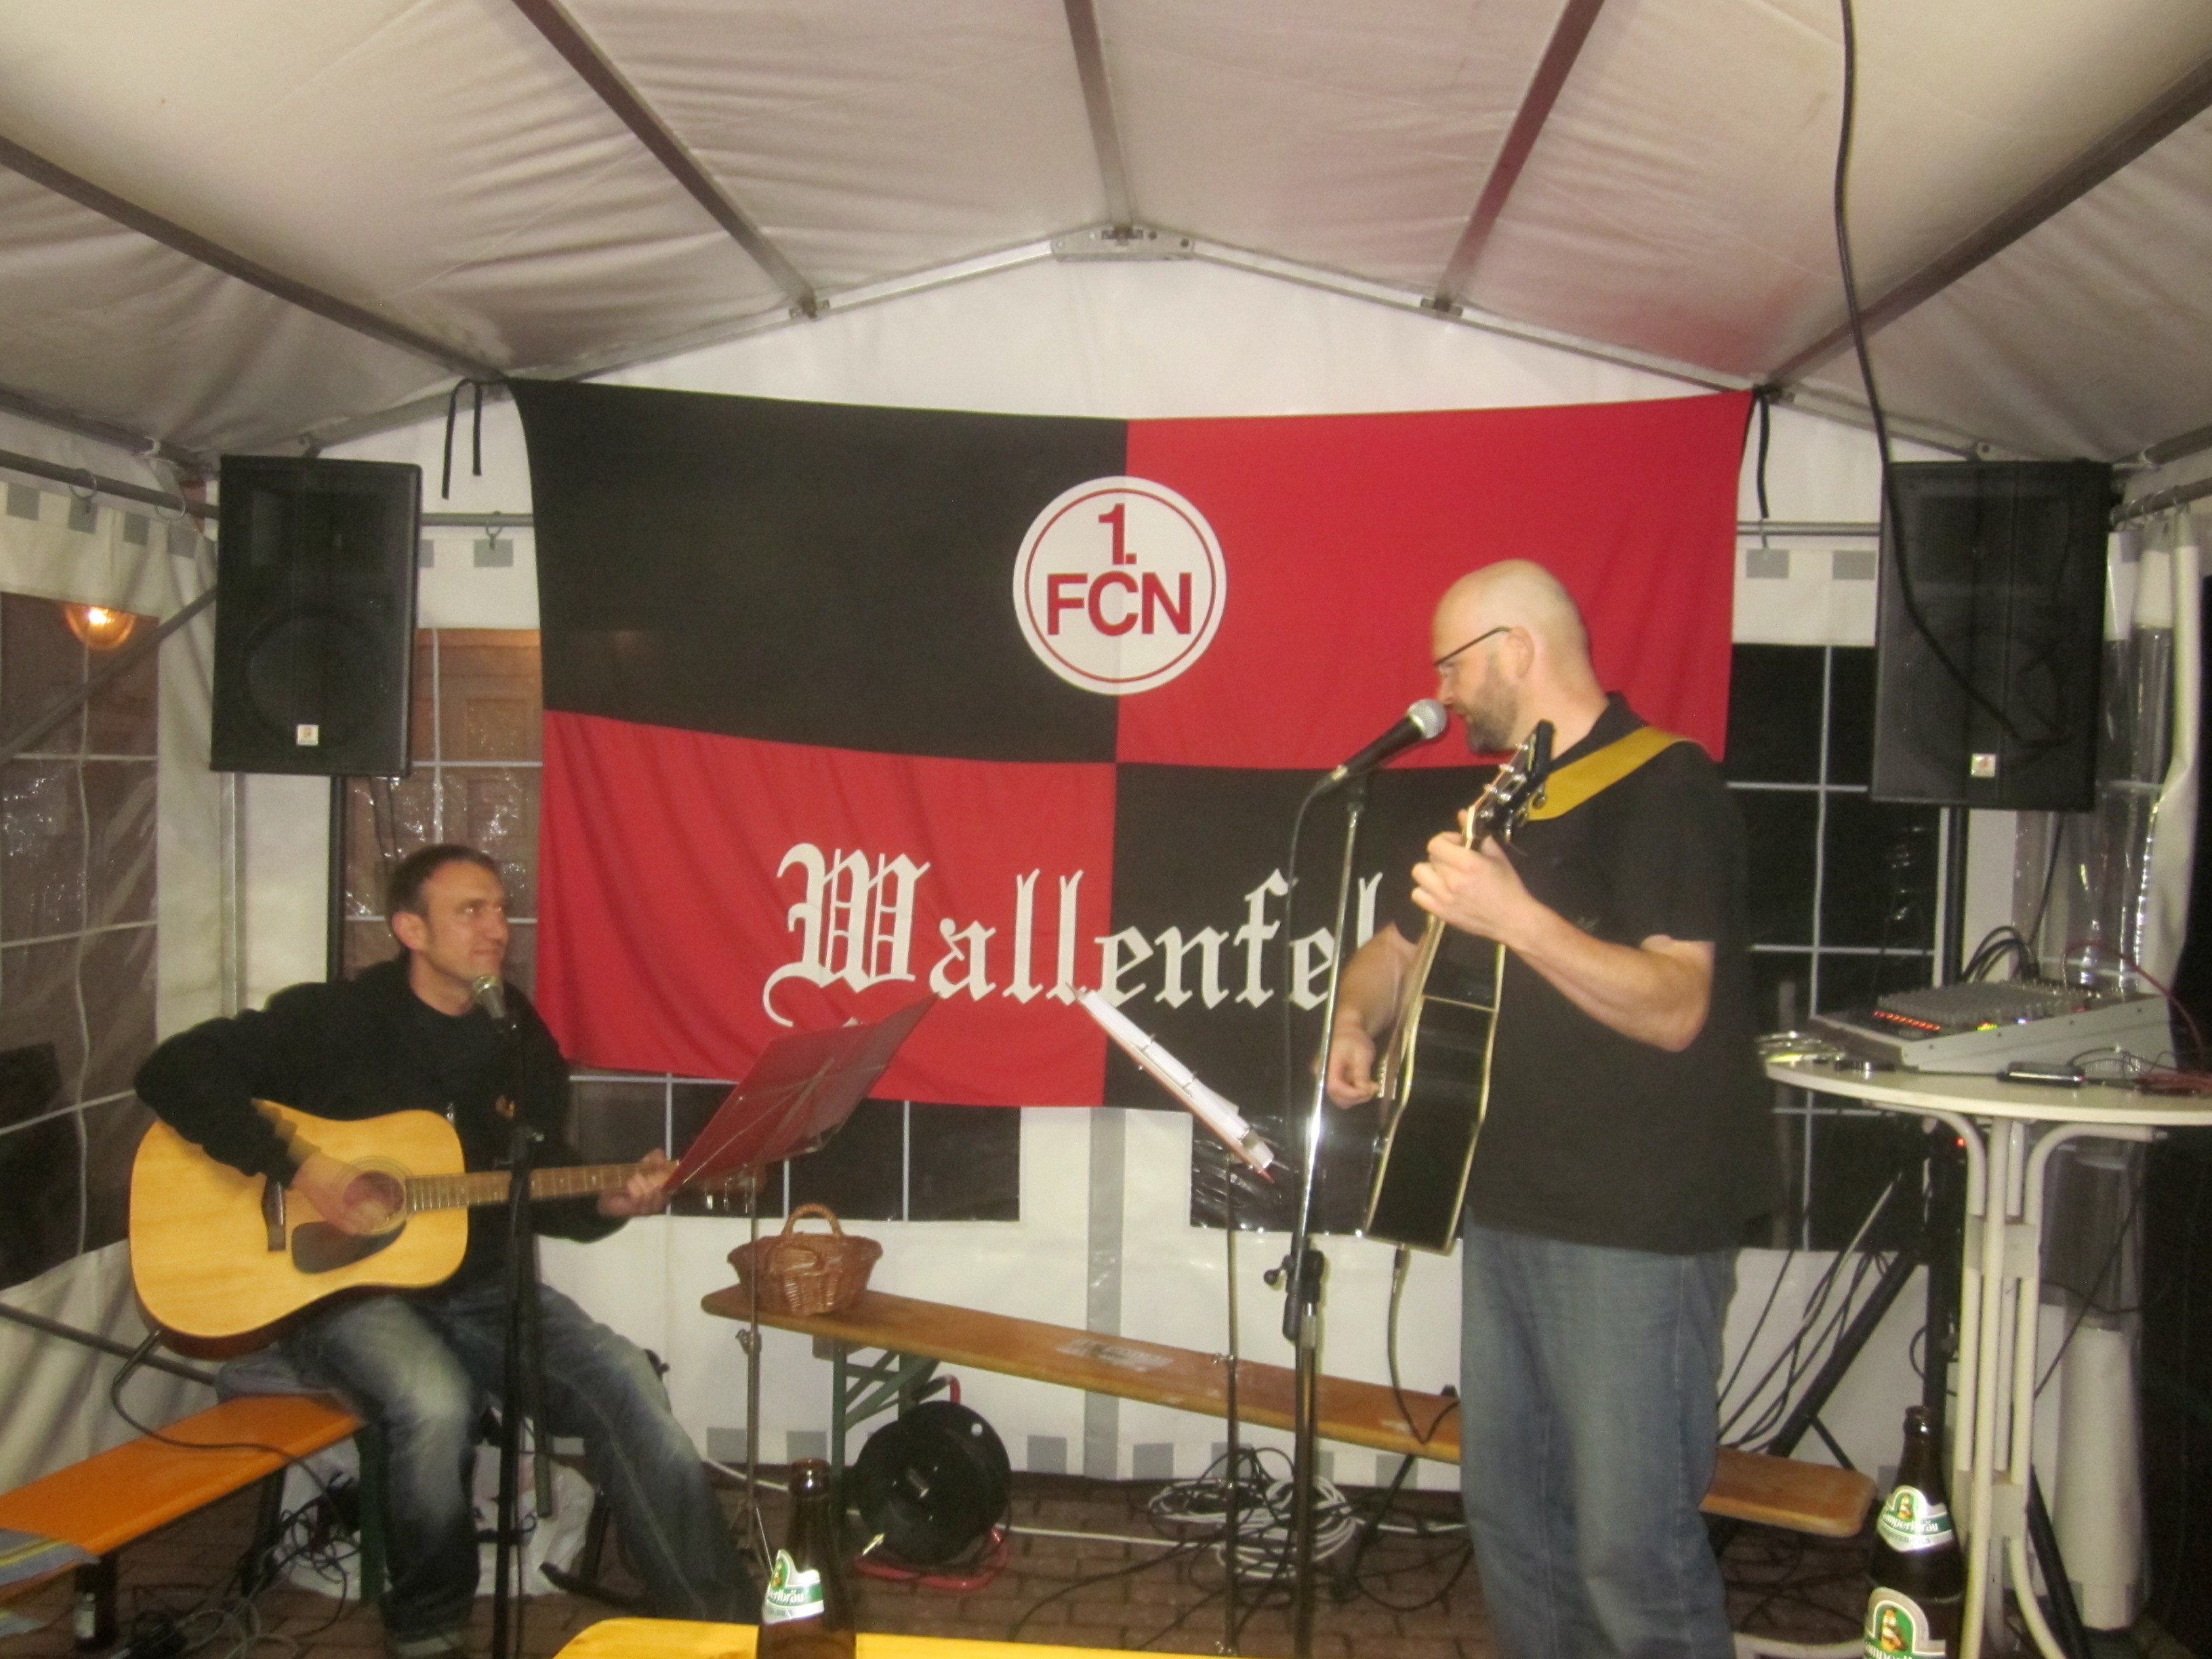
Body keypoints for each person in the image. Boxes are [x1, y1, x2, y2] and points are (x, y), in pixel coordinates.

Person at [136, 844, 750, 1657]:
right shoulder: (337, 1020)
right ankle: (427, 1629)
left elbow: (534, 1181)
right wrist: (308, 1169)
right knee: (433, 1401)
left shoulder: (517, 1038)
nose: (497, 927)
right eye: (470, 911)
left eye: (498, 908)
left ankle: (719, 1621)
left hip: (484, 1288)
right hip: (345, 1295)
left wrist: (608, 1201)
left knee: (625, 1379)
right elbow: (171, 1070)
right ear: (411, 930)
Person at [1325, 561, 1774, 1658]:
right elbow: (1392, 953)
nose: (1441, 691)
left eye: (1452, 664)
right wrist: (1353, 1022)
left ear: (1515, 651)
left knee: (1630, 1551)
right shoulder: (1502, 803)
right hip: (1507, 1206)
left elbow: (1677, 1006)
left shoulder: (1667, 786)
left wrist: (1516, 917)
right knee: (1514, 1526)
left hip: (1632, 1223)